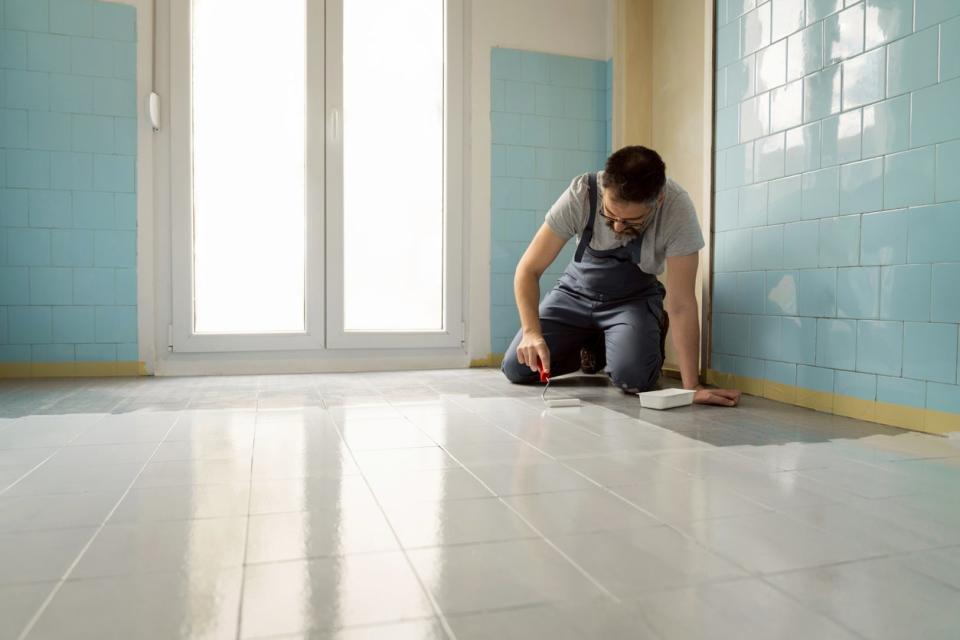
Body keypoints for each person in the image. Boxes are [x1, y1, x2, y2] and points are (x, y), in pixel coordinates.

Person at [501, 145, 741, 407]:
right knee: (518, 368)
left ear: (658, 200)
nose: (617, 227)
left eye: (630, 222)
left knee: (634, 379)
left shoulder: (677, 209)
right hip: (574, 294)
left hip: (632, 300)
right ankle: (591, 343)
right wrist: (532, 332)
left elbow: (682, 303)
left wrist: (690, 386)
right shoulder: (582, 193)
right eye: (609, 214)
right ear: (604, 188)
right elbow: (528, 269)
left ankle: (637, 333)